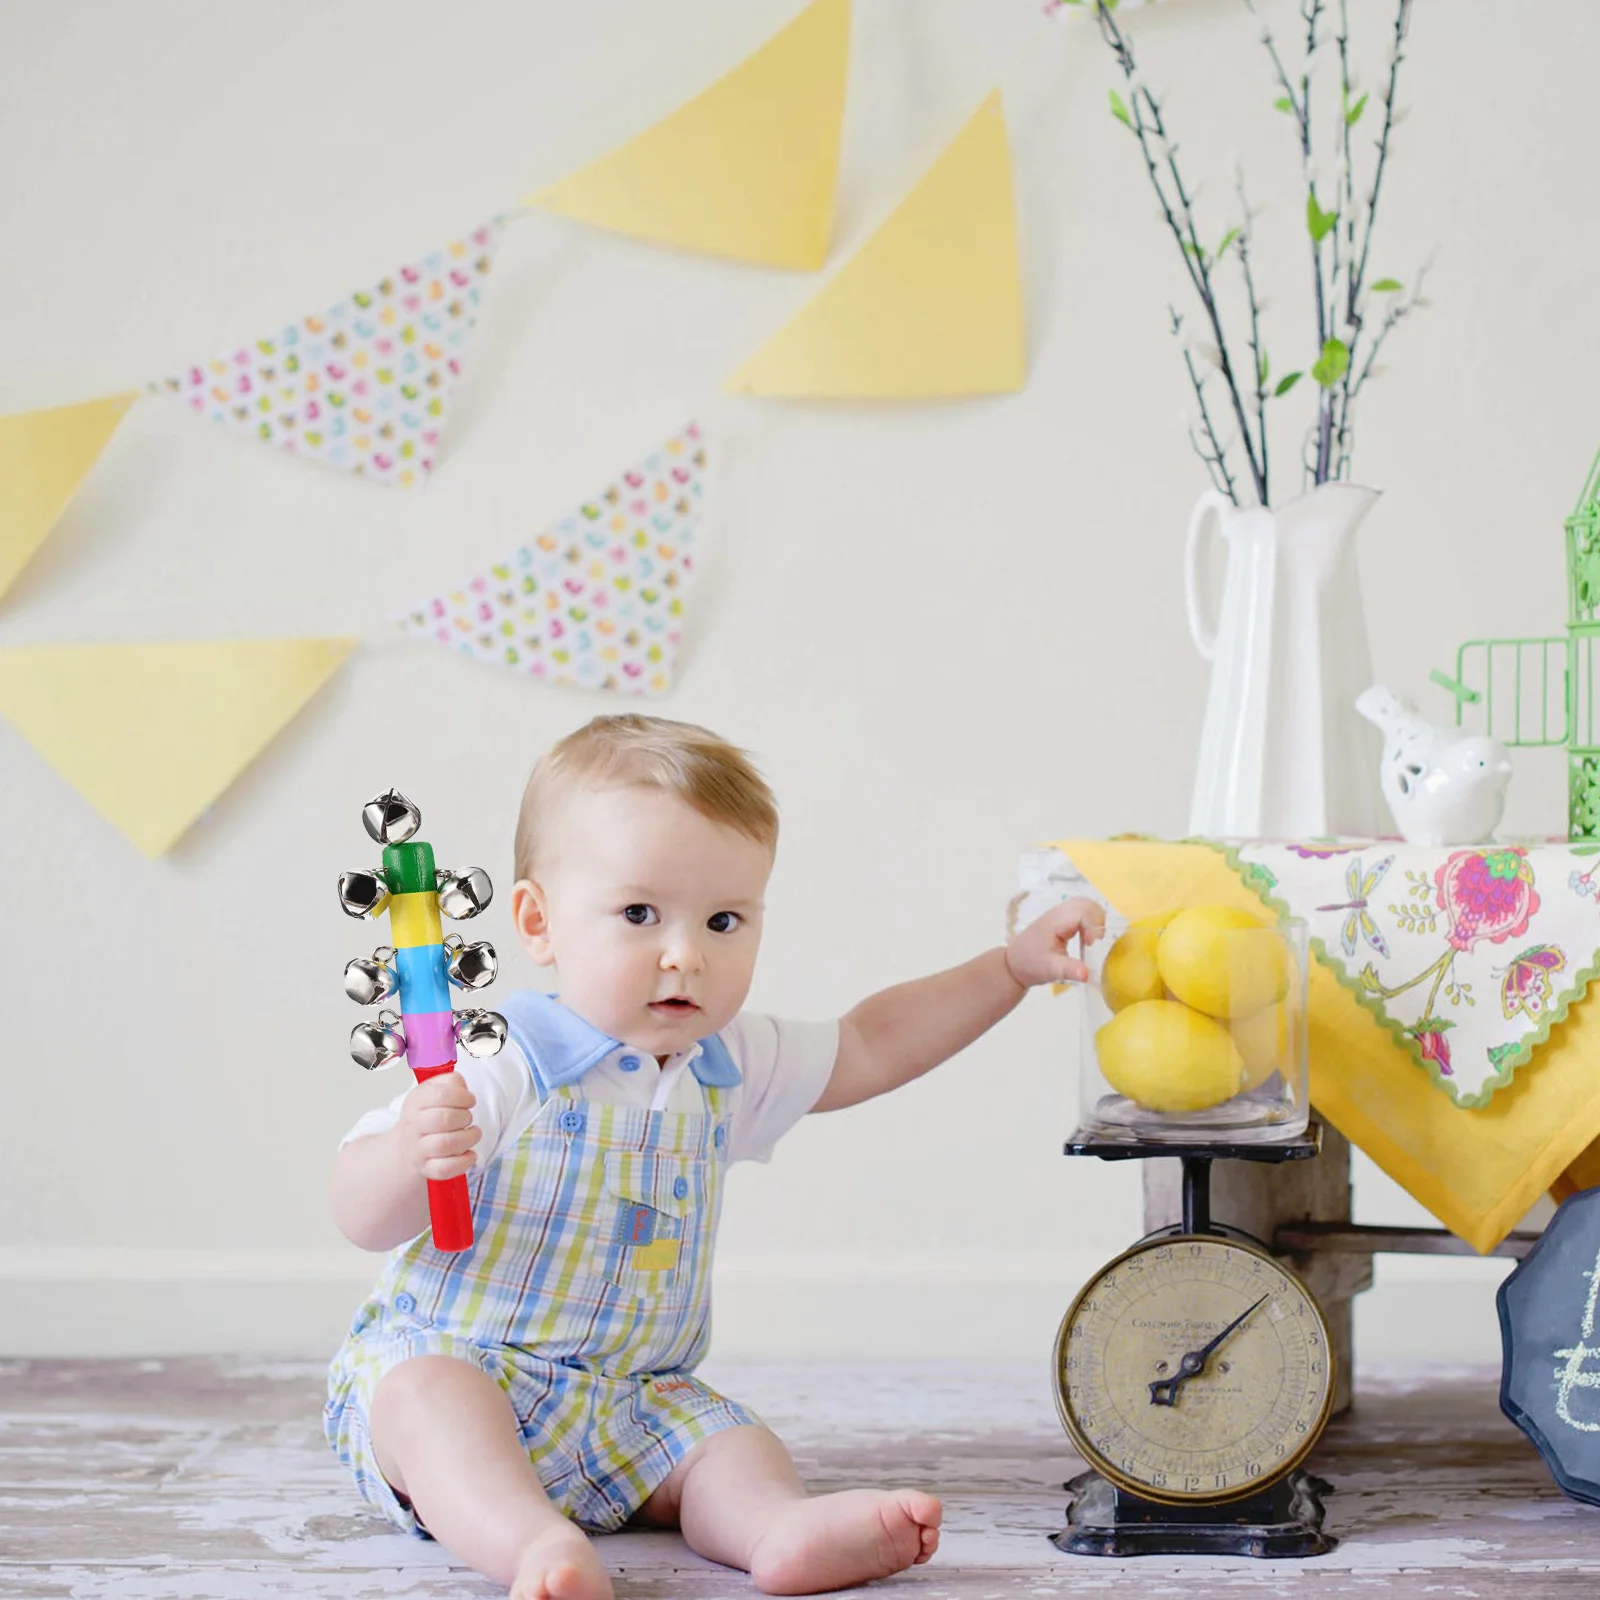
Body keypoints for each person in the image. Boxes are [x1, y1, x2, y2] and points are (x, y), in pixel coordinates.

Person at [325, 714, 1103, 1600]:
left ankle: (777, 1530)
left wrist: (1008, 969)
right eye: (638, 913)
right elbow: (359, 1214)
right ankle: (531, 1543)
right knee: (430, 1403)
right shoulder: (504, 1064)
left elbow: (875, 1042)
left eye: (724, 919)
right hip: (469, 1365)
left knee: (728, 1444)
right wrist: (407, 1156)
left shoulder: (727, 1064)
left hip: (631, 1403)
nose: (686, 954)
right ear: (538, 922)